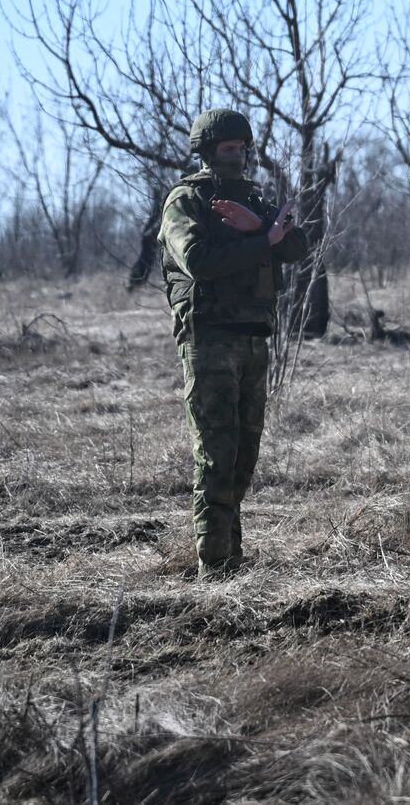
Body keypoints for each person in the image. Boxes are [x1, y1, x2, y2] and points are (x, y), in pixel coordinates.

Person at [158, 109, 309, 579]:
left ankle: (231, 559)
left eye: (243, 149)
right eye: (228, 149)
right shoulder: (185, 201)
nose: (238, 157)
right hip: (210, 339)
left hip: (253, 340)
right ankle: (215, 568)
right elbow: (199, 260)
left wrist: (259, 231)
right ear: (206, 151)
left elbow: (295, 246)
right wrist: (261, 238)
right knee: (216, 456)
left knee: (244, 457)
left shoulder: (252, 199)